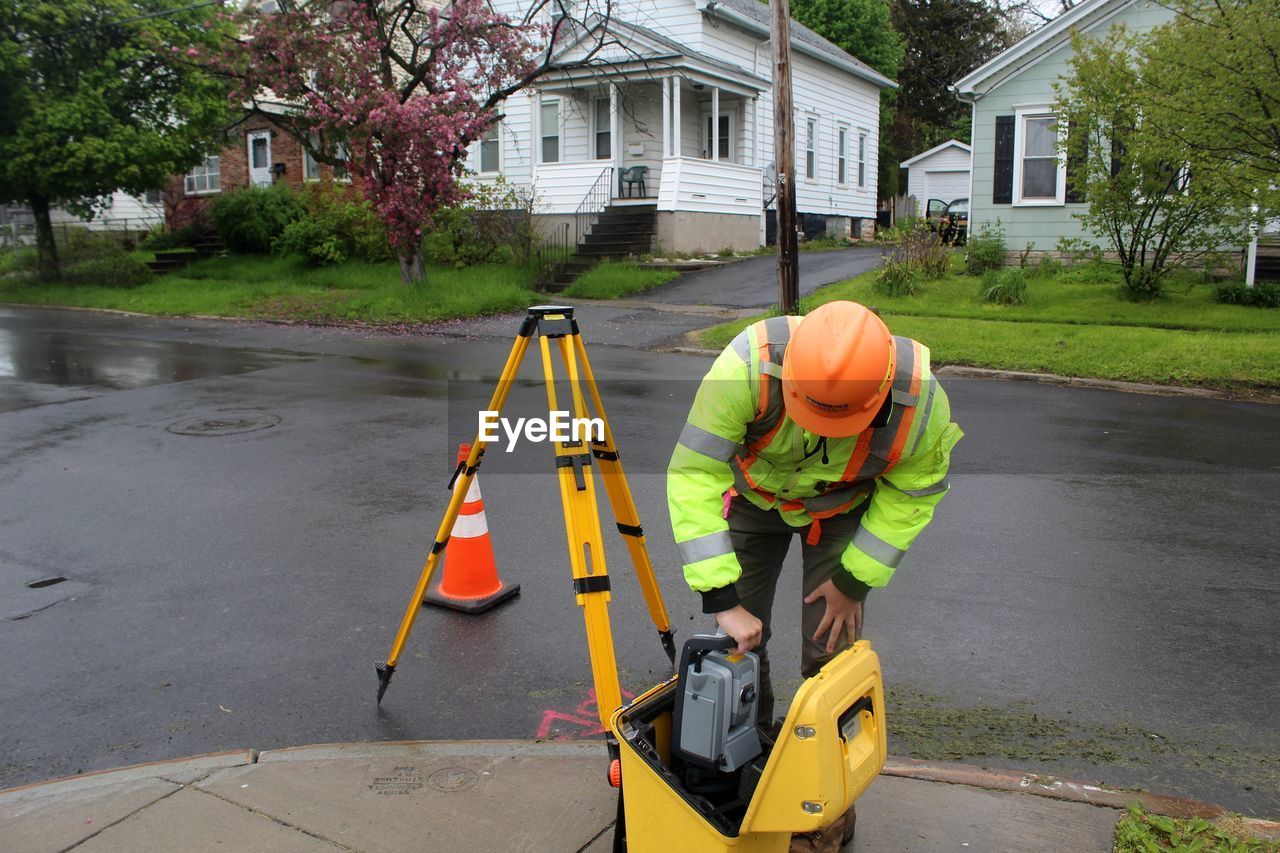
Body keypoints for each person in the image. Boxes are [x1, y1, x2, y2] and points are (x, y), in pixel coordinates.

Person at [667, 300, 962, 851]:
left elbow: (911, 495)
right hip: (757, 499)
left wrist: (853, 584)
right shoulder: (747, 366)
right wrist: (720, 595)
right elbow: (693, 474)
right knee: (736, 647)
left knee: (830, 658)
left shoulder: (921, 403)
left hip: (843, 510)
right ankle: (743, 770)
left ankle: (825, 804)